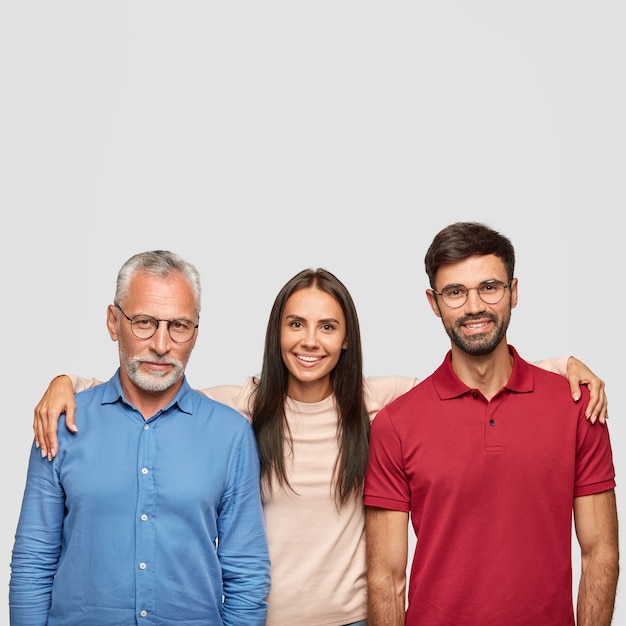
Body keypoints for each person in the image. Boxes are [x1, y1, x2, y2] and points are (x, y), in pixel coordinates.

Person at [31, 268, 609, 626]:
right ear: (276, 332)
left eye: (327, 326)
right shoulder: (239, 409)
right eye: (296, 324)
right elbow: (150, 384)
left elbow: (476, 369)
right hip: (260, 621)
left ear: (347, 337)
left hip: (353, 621)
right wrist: (69, 382)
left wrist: (565, 366)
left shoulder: (379, 403)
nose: (310, 341)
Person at [364, 222, 619, 626]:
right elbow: (386, 577)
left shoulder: (576, 407)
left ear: (513, 292)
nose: (474, 306)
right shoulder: (396, 424)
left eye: (489, 287)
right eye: (455, 292)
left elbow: (600, 552)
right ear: (434, 302)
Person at [10, 250, 270, 626]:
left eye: (179, 326)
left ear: (196, 333)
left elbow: (246, 571)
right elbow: (34, 558)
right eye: (145, 322)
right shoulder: (62, 422)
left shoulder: (230, 435)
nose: (162, 345)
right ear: (114, 322)